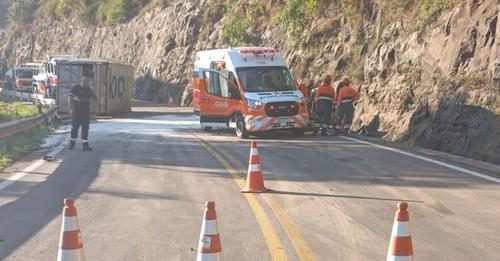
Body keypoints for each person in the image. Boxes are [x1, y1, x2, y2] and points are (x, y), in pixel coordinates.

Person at [68, 77, 95, 151]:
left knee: (85, 129)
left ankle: (85, 145)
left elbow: (93, 97)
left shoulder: (88, 89)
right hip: (76, 112)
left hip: (85, 113)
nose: (86, 84)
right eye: (85, 82)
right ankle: (72, 143)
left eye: (88, 82)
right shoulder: (76, 88)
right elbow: (70, 98)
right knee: (74, 128)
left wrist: (91, 87)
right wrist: (71, 109)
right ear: (82, 82)